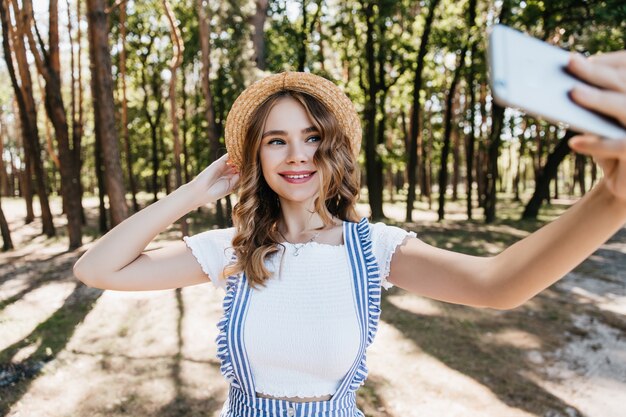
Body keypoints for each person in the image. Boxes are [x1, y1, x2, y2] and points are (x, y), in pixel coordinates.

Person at [73, 50, 626, 417]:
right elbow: (97, 270)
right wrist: (193, 193)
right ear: (255, 156)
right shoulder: (232, 250)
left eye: (312, 137)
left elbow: (498, 284)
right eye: (276, 141)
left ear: (333, 147)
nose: (297, 156)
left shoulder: (374, 250)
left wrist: (612, 198)